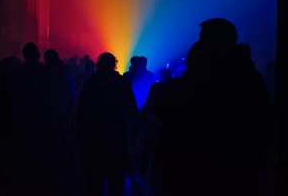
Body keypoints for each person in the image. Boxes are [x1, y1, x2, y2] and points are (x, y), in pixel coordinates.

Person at [154, 18, 271, 196]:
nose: (199, 41)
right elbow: (262, 119)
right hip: (236, 168)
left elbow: (163, 108)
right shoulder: (249, 76)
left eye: (203, 37)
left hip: (192, 168)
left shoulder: (196, 79)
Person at [76, 52, 139, 196]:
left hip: (95, 136)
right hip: (117, 136)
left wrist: (79, 134)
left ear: (98, 64)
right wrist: (135, 131)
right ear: (114, 64)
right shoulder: (122, 83)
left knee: (94, 180)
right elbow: (131, 108)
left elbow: (82, 109)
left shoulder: (92, 82)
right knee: (116, 181)